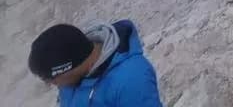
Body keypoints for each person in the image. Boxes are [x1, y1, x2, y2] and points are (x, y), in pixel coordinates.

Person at [28, 20, 161, 106]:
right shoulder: (70, 77)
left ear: (69, 68)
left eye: (51, 78)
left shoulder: (131, 80)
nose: (50, 83)